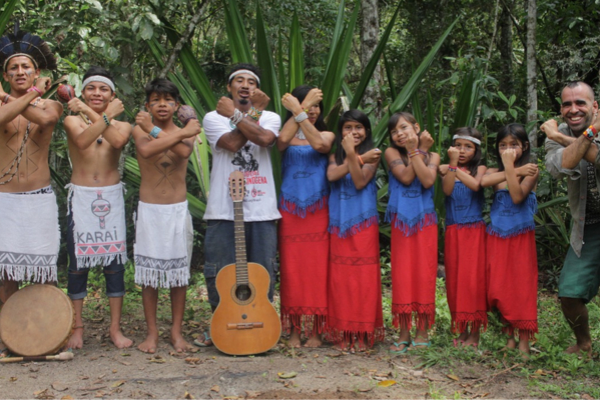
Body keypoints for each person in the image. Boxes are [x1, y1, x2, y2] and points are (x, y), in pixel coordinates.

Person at [198, 64, 281, 347]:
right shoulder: (213, 117)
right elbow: (233, 143)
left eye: (251, 82)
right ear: (229, 88)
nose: (245, 86)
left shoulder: (270, 116)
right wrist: (243, 116)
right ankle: (219, 327)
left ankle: (262, 327)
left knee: (263, 272)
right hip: (224, 209)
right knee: (219, 272)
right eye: (239, 81)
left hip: (262, 211)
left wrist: (240, 115)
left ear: (257, 90)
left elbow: (265, 138)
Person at [62, 67, 133, 350]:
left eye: (104, 89)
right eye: (91, 88)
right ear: (82, 93)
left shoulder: (123, 126)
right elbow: (83, 141)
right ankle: (77, 328)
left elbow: (117, 140)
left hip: (111, 197)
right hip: (81, 198)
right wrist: (105, 115)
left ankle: (114, 329)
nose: (97, 93)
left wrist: (104, 116)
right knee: (77, 266)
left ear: (113, 95)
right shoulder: (71, 120)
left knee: (114, 267)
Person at [132, 78, 201, 353]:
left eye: (168, 100)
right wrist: (153, 129)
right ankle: (151, 334)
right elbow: (146, 150)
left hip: (177, 210)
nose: (162, 104)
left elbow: (184, 151)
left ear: (177, 105)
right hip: (149, 210)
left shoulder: (187, 131)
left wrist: (156, 130)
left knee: (178, 276)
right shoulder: (140, 130)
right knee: (149, 276)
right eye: (156, 100)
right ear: (147, 105)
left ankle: (176, 332)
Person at [0, 30, 62, 304]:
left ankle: (46, 335)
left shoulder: (51, 104)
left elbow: (45, 120)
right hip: (5, 199)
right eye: (13, 68)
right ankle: (6, 336)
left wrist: (14, 97)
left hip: (39, 198)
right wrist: (26, 95)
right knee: (5, 273)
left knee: (43, 270)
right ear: (5, 76)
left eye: (25, 66)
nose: (20, 72)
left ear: (36, 72)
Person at [543, 81, 600, 356]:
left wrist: (582, 135)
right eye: (567, 104)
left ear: (595, 106)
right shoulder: (558, 132)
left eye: (581, 103)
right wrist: (590, 134)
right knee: (568, 291)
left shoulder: (557, 133)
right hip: (587, 225)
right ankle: (584, 343)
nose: (573, 109)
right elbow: (560, 165)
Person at [277, 85, 335, 348]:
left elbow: (321, 145)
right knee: (292, 271)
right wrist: (299, 110)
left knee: (316, 271)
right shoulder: (287, 132)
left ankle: (316, 331)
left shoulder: (327, 133)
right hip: (290, 210)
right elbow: (279, 143)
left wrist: (298, 108)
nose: (312, 111)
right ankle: (293, 331)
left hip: (318, 210)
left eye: (315, 106)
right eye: (306, 105)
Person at [327, 109, 383, 352]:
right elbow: (332, 175)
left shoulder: (375, 155)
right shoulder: (333, 156)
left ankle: (362, 333)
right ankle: (343, 332)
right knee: (341, 280)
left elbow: (360, 181)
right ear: (341, 132)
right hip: (339, 225)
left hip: (363, 224)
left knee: (363, 280)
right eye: (348, 128)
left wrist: (352, 154)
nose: (353, 132)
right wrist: (355, 156)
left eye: (358, 127)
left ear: (366, 131)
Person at [384, 112, 440, 353]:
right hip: (401, 223)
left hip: (425, 221)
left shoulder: (434, 155)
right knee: (403, 275)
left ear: (416, 127)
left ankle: (422, 331)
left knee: (424, 275)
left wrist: (419, 151)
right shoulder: (391, 153)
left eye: (404, 127)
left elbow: (427, 181)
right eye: (395, 131)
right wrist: (418, 150)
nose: (399, 134)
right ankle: (404, 331)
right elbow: (407, 178)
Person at [481, 123, 539, 355]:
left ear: (524, 146)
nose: (507, 149)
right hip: (497, 235)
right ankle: (509, 337)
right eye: (502, 145)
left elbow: (516, 196)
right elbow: (482, 182)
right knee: (499, 286)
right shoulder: (493, 171)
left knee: (522, 286)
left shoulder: (532, 170)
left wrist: (509, 166)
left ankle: (523, 340)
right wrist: (512, 169)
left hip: (521, 236)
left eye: (513, 145)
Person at [439, 127, 487, 348]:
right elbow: (448, 190)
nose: (462, 150)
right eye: (458, 145)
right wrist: (451, 168)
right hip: (453, 231)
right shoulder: (448, 170)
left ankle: (475, 333)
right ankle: (461, 329)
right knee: (456, 281)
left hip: (474, 232)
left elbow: (475, 185)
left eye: (468, 146)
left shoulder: (481, 169)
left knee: (473, 282)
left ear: (476, 150)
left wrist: (452, 167)